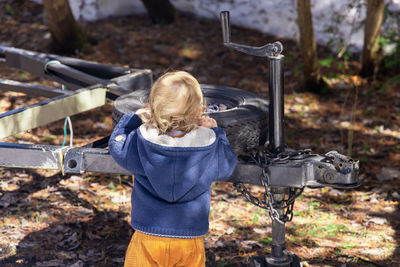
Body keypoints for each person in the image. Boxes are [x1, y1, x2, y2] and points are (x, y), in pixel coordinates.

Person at [108, 71, 237, 267]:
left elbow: (118, 147)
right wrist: (217, 133)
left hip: (148, 237)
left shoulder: (142, 141)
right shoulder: (207, 145)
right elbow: (228, 164)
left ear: (152, 108)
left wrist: (130, 121)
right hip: (189, 239)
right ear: (198, 112)